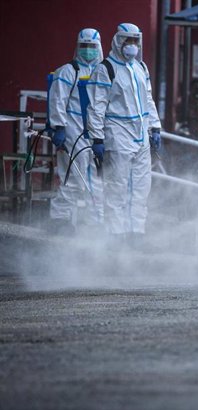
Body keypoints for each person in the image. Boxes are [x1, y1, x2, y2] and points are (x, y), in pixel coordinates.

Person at [86, 23, 161, 246]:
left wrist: (155, 127)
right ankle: (115, 235)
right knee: (116, 186)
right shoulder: (106, 69)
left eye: (135, 41)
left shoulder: (141, 68)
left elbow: (148, 99)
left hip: (140, 134)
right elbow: (96, 106)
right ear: (118, 41)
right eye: (128, 41)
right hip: (117, 133)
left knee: (141, 186)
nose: (132, 46)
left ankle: (136, 232)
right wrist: (97, 137)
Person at [48, 28, 105, 235]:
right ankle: (60, 219)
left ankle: (95, 222)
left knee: (96, 180)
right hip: (72, 131)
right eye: (85, 46)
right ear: (78, 46)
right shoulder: (67, 71)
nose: (89, 51)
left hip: (96, 133)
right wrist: (59, 127)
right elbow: (58, 102)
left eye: (93, 46)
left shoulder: (104, 73)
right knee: (72, 177)